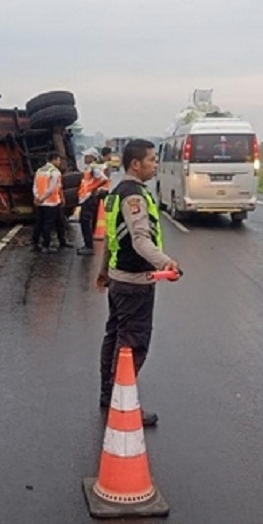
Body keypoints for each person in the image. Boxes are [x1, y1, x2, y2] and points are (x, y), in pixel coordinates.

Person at [96, 139, 180, 427]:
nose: (155, 164)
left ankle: (108, 394)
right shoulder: (135, 197)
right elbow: (140, 239)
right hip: (134, 283)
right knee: (133, 343)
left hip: (118, 279)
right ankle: (122, 402)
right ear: (135, 164)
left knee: (115, 337)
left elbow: (110, 237)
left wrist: (104, 270)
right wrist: (165, 263)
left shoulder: (117, 192)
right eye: (151, 159)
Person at [76, 147, 110, 255]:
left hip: (89, 198)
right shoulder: (90, 167)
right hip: (87, 197)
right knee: (86, 221)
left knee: (85, 221)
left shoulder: (94, 167)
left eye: (86, 156)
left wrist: (94, 188)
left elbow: (103, 178)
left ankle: (89, 246)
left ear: (91, 157)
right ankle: (88, 244)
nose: (85, 158)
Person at [31, 152, 65, 252]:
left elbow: (35, 186)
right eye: (58, 160)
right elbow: (52, 188)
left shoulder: (39, 170)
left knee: (40, 223)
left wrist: (38, 197)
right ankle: (46, 245)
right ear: (54, 160)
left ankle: (35, 244)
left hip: (41, 203)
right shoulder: (55, 172)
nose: (59, 162)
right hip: (52, 202)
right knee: (48, 224)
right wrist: (43, 198)